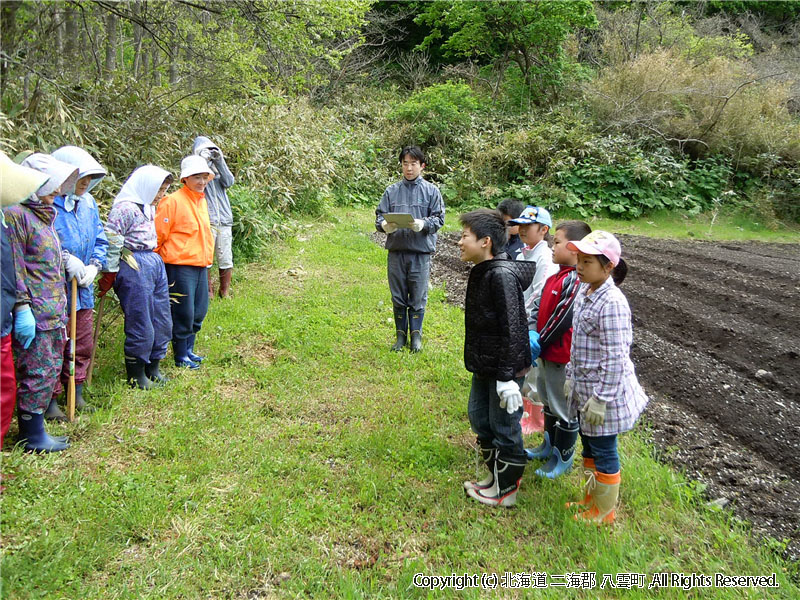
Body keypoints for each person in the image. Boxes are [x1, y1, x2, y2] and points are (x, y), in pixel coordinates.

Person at [564, 230, 648, 524]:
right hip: (585, 390)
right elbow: (579, 344)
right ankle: (589, 500)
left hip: (604, 395)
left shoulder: (612, 302)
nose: (580, 266)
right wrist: (571, 376)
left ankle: (604, 511)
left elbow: (615, 356)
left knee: (604, 449)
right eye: (579, 259)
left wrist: (601, 399)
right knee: (588, 445)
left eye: (588, 262)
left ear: (608, 266)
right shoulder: (585, 292)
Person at [459, 209, 536, 508]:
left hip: (505, 367)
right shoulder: (483, 271)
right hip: (487, 364)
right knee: (481, 417)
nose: (460, 242)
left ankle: (506, 491)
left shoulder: (500, 276)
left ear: (486, 241)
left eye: (465, 236)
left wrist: (507, 379)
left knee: (504, 424)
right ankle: (494, 479)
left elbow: (513, 329)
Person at [3, 153, 79, 452]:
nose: (57, 191)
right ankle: (30, 435)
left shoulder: (45, 216)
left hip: (54, 308)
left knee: (49, 369)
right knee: (35, 372)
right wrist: (22, 306)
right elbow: (14, 265)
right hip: (35, 309)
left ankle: (37, 428)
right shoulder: (16, 214)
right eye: (50, 185)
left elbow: (48, 259)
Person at [524, 220, 592, 480]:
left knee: (563, 407)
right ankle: (547, 446)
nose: (553, 246)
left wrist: (539, 340)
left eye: (558, 242)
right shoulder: (555, 276)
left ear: (576, 249)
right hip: (545, 353)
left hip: (560, 356)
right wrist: (531, 330)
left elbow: (562, 319)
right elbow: (538, 306)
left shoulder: (574, 281)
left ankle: (562, 455)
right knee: (548, 401)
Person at [45, 146, 108, 418]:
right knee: (56, 342)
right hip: (55, 288)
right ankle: (50, 400)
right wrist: (65, 259)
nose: (85, 184)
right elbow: (43, 243)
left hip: (82, 287)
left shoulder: (89, 204)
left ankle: (76, 390)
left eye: (89, 179)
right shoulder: (50, 202)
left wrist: (95, 264)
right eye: (80, 177)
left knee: (81, 340)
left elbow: (100, 237)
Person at [103, 165, 175, 389]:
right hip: (133, 263)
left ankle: (153, 366)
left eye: (163, 190)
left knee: (161, 316)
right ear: (146, 186)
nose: (160, 195)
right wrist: (109, 273)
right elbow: (112, 240)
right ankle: (136, 374)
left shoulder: (148, 206)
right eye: (158, 190)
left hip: (153, 261)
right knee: (141, 318)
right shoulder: (124, 209)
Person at [375, 146, 445, 353]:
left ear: (422, 166)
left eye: (413, 163)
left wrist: (423, 224)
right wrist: (384, 226)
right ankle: (400, 336)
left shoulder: (432, 191)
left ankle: (416, 337)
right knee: (397, 295)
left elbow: (439, 218)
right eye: (405, 163)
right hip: (397, 251)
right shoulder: (392, 191)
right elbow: (380, 216)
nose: (409, 168)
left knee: (417, 295)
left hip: (420, 252)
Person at [0, 152, 49, 450]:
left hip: (4, 317)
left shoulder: (4, 217)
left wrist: (17, 306)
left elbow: (8, 269)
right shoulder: (17, 218)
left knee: (5, 392)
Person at [155, 156, 214, 369]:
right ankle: (180, 355)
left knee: (199, 310)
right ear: (185, 179)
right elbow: (158, 235)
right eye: (196, 177)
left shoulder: (201, 201)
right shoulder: (172, 201)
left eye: (204, 177)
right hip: (179, 266)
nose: (201, 181)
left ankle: (189, 350)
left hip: (200, 264)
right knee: (183, 312)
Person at [192, 136, 235, 298]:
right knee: (206, 257)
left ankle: (224, 291)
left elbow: (229, 182)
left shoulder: (219, 167)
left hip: (224, 219)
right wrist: (204, 162)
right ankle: (208, 291)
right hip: (206, 219)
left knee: (225, 257)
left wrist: (219, 160)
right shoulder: (197, 172)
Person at [508, 205, 558, 311]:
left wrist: (520, 314)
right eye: (520, 225)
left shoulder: (545, 257)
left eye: (528, 225)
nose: (522, 230)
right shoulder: (521, 256)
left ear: (544, 229)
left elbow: (540, 293)